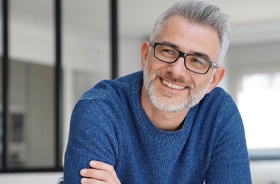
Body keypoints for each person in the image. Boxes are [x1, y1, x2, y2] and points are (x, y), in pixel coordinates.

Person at [64, 0, 252, 183]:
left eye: (197, 61)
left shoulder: (219, 114)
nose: (177, 70)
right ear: (146, 55)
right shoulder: (99, 110)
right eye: (168, 51)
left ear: (214, 79)